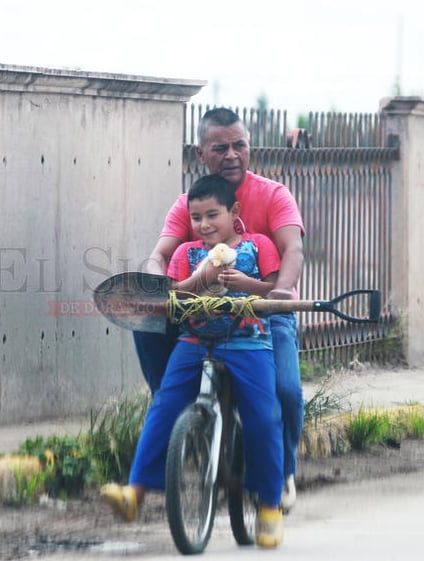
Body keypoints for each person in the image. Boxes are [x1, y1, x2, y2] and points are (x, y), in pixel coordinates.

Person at [133, 107, 305, 512]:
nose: (231, 155)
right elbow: (159, 255)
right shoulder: (190, 204)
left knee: (285, 391)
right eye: (220, 147)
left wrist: (279, 293)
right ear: (200, 153)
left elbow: (293, 248)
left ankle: (282, 474)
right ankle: (178, 416)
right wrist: (156, 283)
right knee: (147, 325)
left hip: (262, 311)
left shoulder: (274, 195)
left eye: (239, 145)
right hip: (202, 313)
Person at [102, 174, 285, 548]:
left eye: (212, 215)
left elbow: (274, 288)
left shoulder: (258, 245)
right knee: (165, 405)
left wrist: (243, 284)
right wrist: (197, 280)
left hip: (248, 343)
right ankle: (134, 493)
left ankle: (269, 505)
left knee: (264, 417)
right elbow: (174, 295)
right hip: (195, 341)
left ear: (233, 212)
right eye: (197, 217)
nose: (203, 225)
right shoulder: (186, 254)